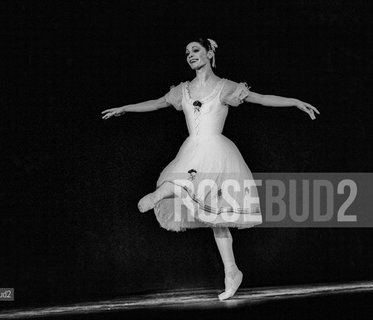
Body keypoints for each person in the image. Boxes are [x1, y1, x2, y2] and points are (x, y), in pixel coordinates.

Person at [101, 37, 319, 301]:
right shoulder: (182, 90)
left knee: (207, 205)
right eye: (187, 52)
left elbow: (260, 98)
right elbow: (157, 102)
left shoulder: (225, 87)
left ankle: (164, 199)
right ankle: (231, 270)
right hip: (193, 147)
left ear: (209, 53)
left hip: (217, 152)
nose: (190, 55)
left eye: (195, 50)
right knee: (210, 210)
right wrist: (126, 108)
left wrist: (294, 101)